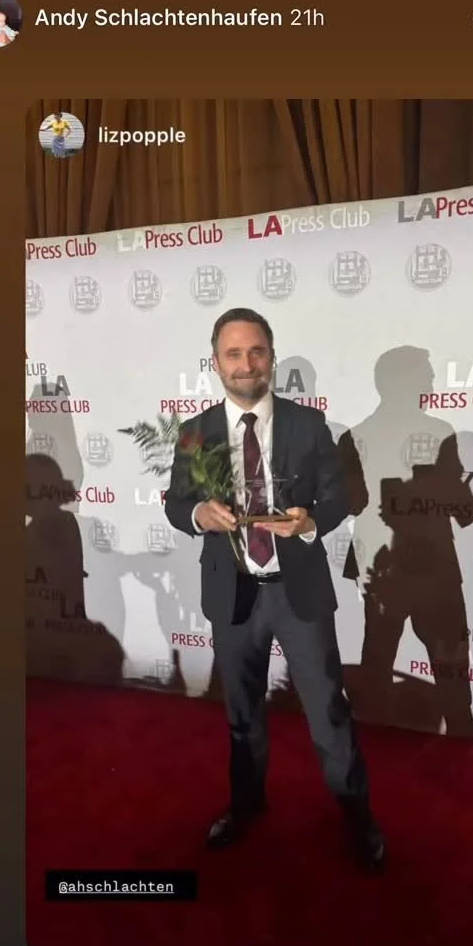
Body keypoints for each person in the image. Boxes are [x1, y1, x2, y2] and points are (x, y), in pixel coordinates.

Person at [164, 307, 385, 871]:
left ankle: (356, 814)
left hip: (298, 594)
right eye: (234, 354)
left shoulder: (309, 425)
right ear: (216, 363)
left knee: (328, 711)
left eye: (256, 351)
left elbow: (339, 498)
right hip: (233, 594)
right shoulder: (195, 433)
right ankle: (246, 805)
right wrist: (198, 514)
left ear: (271, 357)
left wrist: (310, 522)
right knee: (242, 714)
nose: (247, 364)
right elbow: (175, 504)